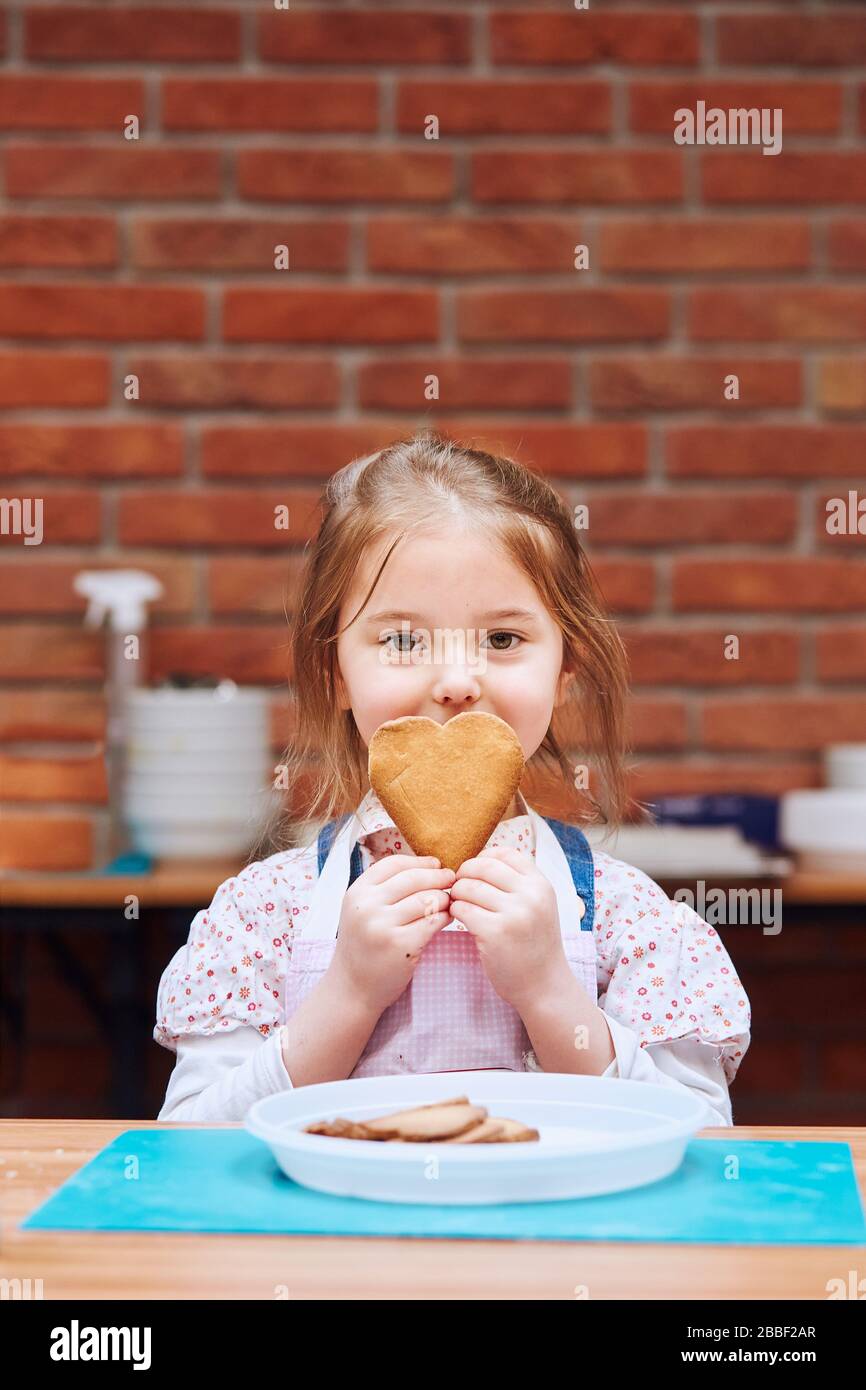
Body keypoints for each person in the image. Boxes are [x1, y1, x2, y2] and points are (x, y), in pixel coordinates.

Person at [154, 430, 750, 1124]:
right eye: (403, 639)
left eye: (503, 639)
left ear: (564, 670)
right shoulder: (261, 919)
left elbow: (699, 1139)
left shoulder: (631, 922)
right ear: (334, 671)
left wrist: (550, 993)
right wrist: (348, 995)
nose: (458, 681)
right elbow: (195, 1144)